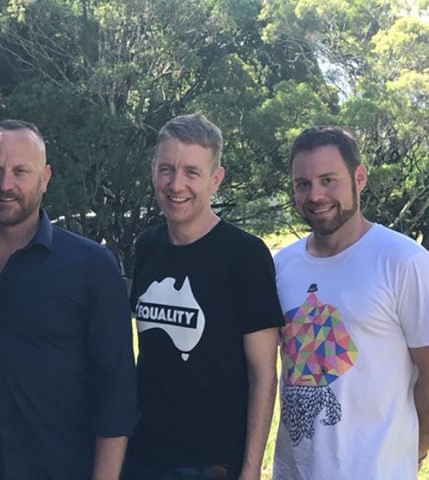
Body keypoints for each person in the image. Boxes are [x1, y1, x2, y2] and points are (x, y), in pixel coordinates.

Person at [0, 119, 138, 480]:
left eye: (20, 171)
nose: (5, 184)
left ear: (45, 177)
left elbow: (116, 392)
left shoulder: (90, 267)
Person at [272, 126, 429, 479]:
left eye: (329, 180)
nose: (315, 195)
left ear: (359, 178)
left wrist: (412, 452)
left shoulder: (404, 261)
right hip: (293, 471)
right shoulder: (283, 265)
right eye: (302, 184)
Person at [125, 113, 284, 480]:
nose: (176, 184)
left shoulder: (245, 256)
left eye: (191, 173)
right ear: (153, 171)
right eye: (166, 169)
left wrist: (250, 469)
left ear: (216, 179)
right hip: (141, 454)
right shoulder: (147, 246)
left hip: (209, 463)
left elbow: (263, 374)